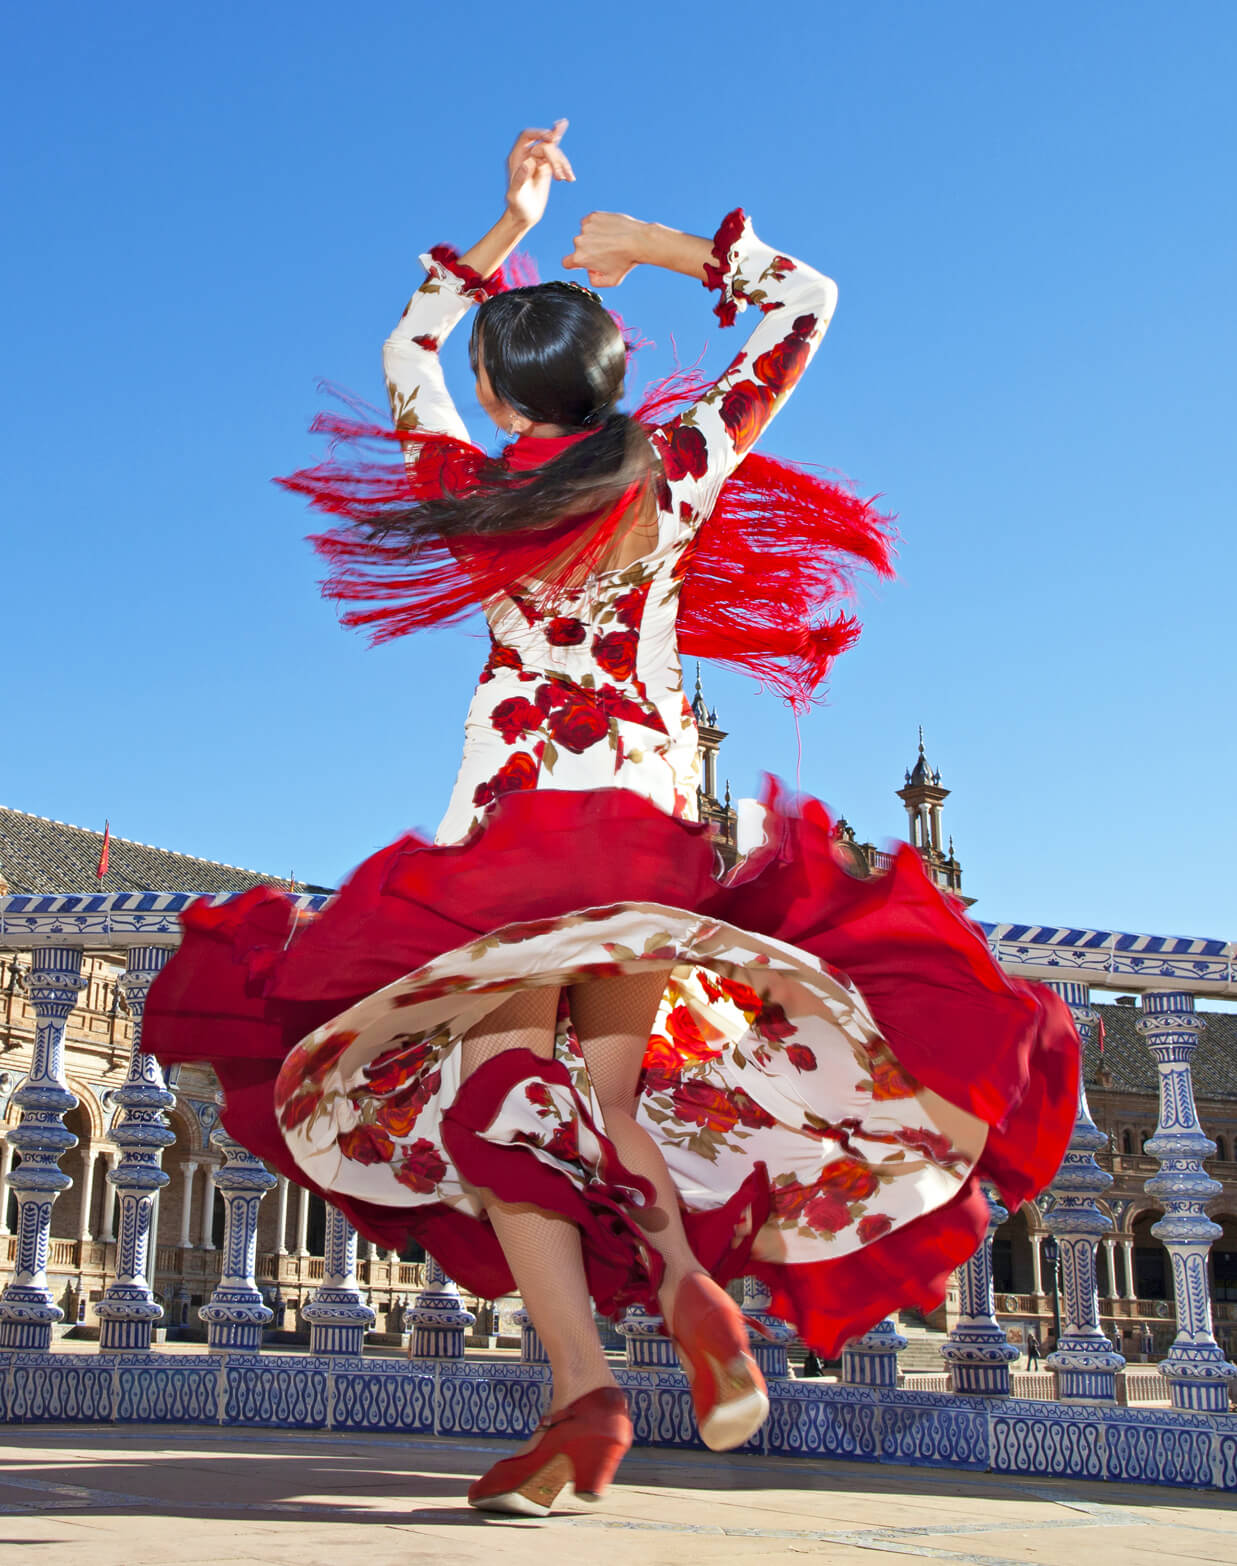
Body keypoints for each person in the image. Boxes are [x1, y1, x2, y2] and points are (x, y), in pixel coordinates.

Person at [145, 121, 1080, 1517]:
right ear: (610, 380)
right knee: (607, 1101)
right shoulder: (674, 467)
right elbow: (808, 302)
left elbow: (408, 350)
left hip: (512, 844)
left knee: (490, 1112)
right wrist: (658, 246)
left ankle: (586, 1390)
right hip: (646, 835)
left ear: (501, 401)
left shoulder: (471, 491)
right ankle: (676, 1311)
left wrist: (507, 226)